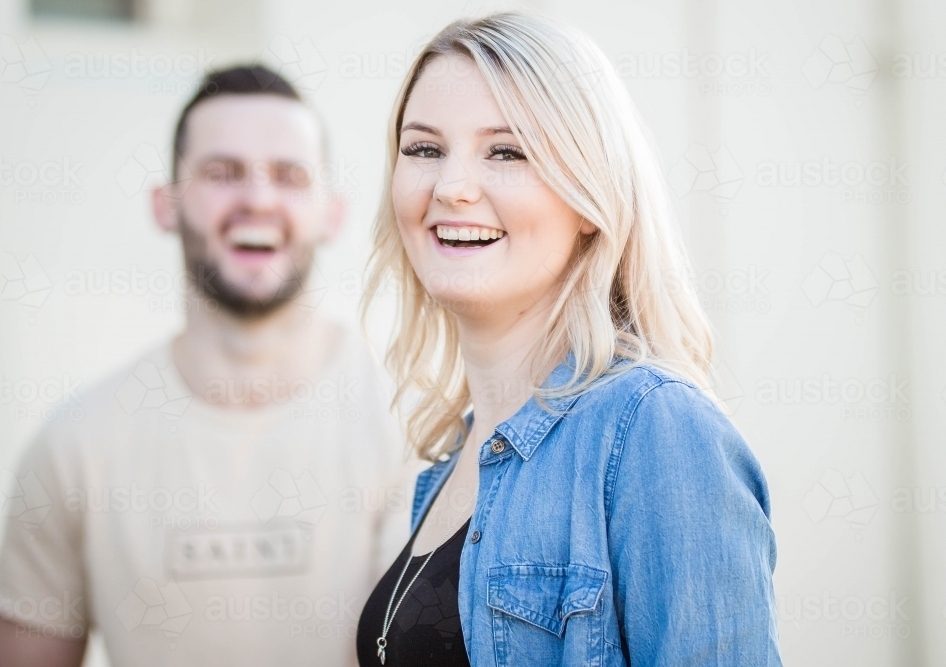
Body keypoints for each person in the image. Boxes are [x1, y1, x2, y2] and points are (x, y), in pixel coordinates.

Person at [355, 12, 783, 666]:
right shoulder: (446, 463)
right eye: (423, 149)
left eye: (507, 150)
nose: (451, 187)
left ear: (589, 198)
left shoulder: (654, 429)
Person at [0, 65, 410, 667]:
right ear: (165, 205)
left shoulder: (419, 428)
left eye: (289, 176)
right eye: (223, 173)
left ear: (332, 212)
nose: (258, 198)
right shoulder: (73, 446)